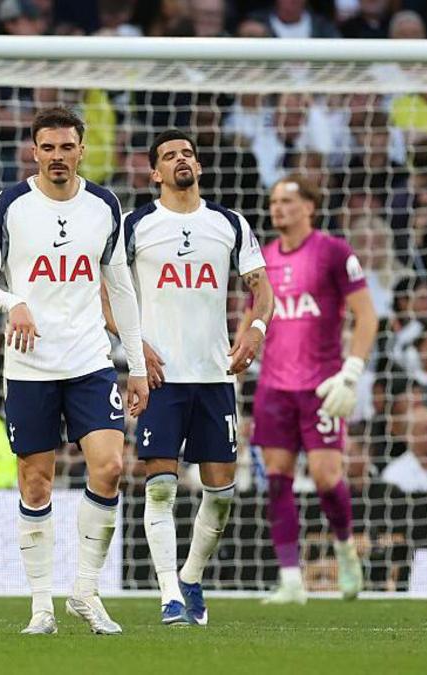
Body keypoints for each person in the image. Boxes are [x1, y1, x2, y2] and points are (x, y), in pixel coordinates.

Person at [0, 107, 148, 635]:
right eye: (48, 148)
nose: (58, 157)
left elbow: (121, 289)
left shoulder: (105, 205)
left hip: (90, 360)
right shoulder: (10, 206)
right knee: (36, 482)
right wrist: (13, 302)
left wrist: (134, 364)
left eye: (67, 147)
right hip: (29, 366)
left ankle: (85, 592)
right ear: (34, 151)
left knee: (110, 466)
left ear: (82, 149)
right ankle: (41, 605)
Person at [114, 129, 272, 625]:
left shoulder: (229, 223)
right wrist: (133, 342)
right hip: (158, 376)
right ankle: (169, 596)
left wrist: (256, 329)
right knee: (160, 487)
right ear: (154, 173)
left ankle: (191, 576)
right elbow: (106, 289)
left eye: (187, 154)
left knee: (220, 493)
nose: (181, 160)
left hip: (214, 374)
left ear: (198, 167)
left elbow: (261, 288)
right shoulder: (134, 224)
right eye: (169, 156)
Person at [255, 174, 378, 605]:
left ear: (310, 206)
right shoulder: (263, 257)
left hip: (321, 386)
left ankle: (346, 549)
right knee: (276, 480)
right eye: (273, 201)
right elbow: (254, 317)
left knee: (327, 479)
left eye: (287, 200)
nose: (278, 208)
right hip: (273, 387)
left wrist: (352, 371)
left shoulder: (333, 252)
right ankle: (290, 579)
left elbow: (367, 316)